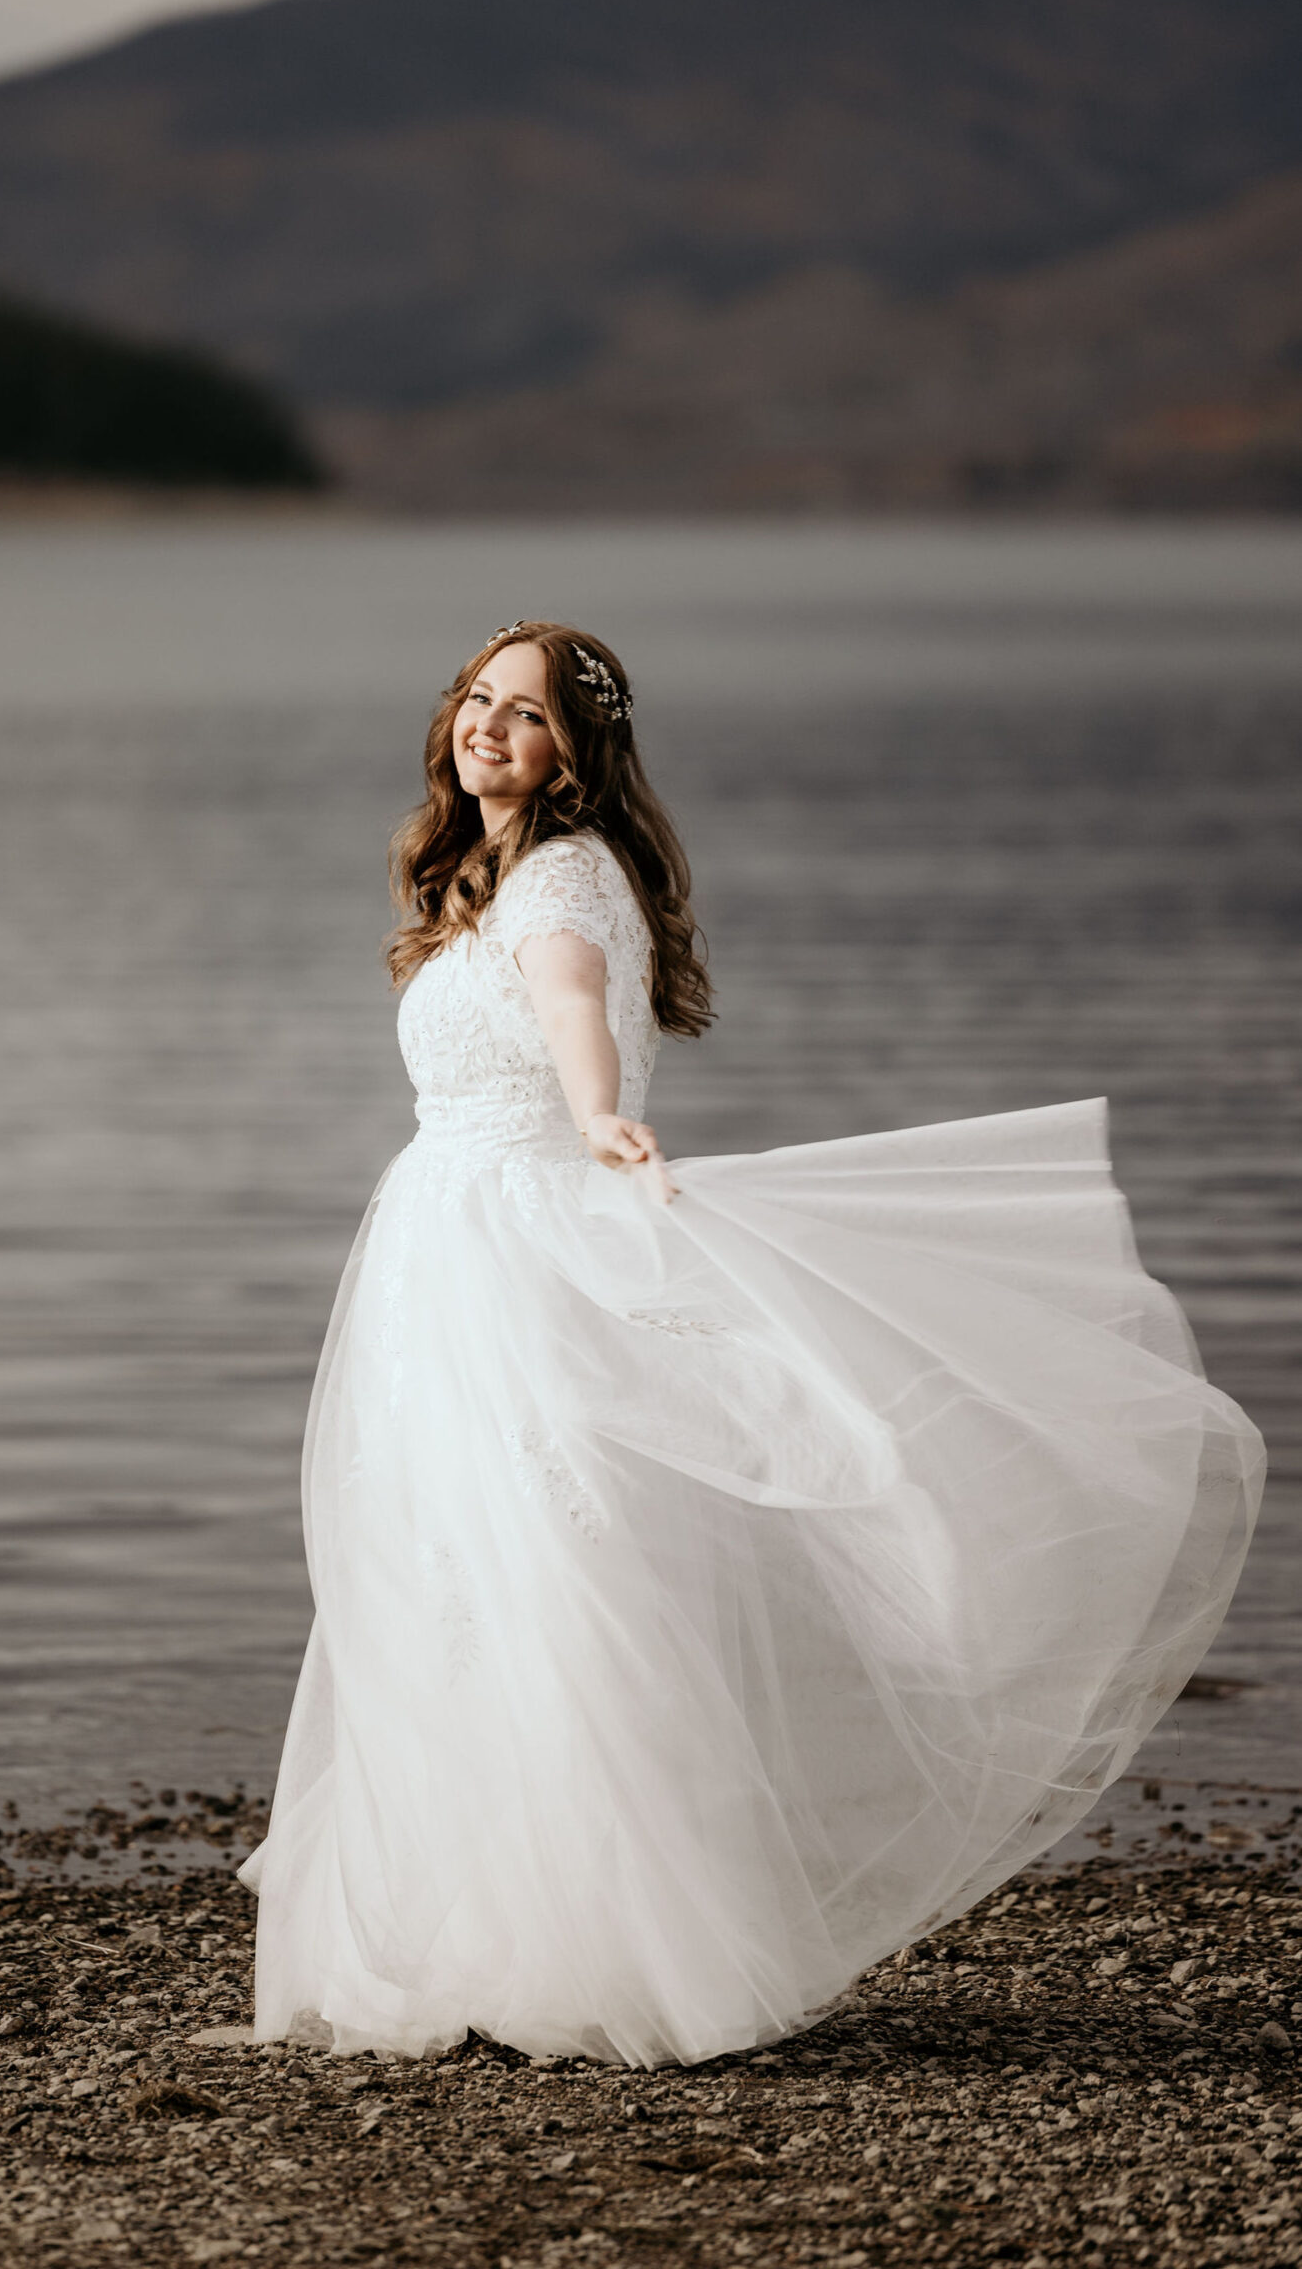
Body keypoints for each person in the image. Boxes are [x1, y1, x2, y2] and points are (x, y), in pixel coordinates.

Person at [238, 619, 1263, 2066]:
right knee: (454, 1572)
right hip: (448, 1247)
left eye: (525, 713)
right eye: (477, 700)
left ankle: (583, 1950)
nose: (487, 727)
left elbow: (574, 1006)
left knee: (539, 1575)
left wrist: (600, 1117)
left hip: (512, 1243)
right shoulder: (489, 873)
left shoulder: (565, 878)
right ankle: (477, 1933)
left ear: (576, 753)